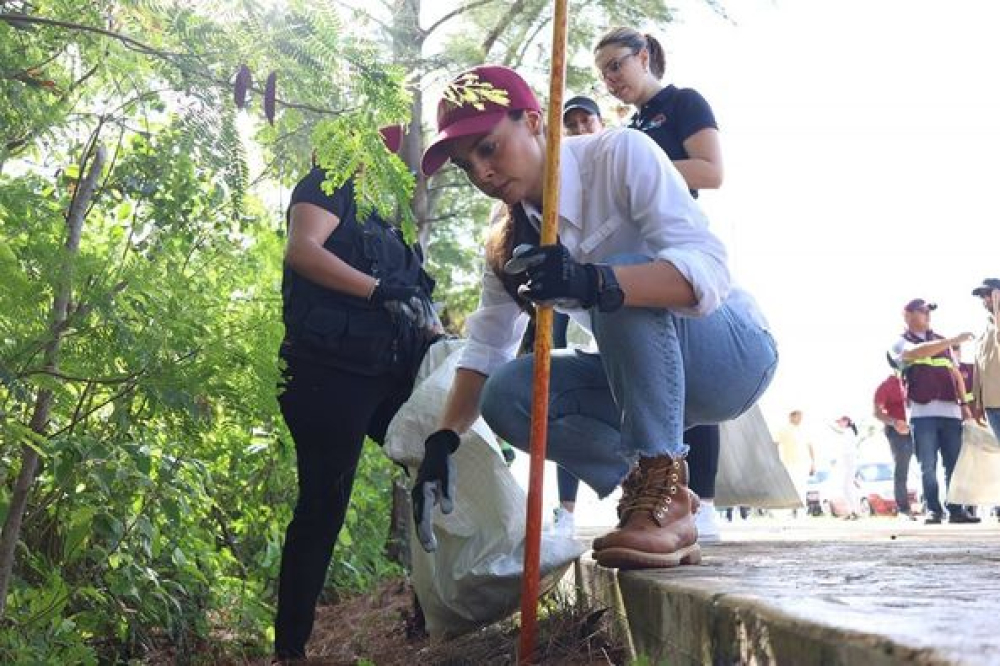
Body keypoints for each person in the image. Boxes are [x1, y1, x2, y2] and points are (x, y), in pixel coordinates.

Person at [411, 64, 777, 570]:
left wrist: (595, 282)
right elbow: (487, 350)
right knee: (510, 395)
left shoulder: (620, 155)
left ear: (535, 121)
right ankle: (660, 490)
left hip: (733, 357)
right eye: (465, 164)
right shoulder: (507, 241)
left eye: (488, 147)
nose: (482, 173)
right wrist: (443, 440)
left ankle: (662, 493)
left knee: (617, 277)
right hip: (645, 384)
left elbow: (709, 273)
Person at [274, 126, 442, 659]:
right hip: (328, 374)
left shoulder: (386, 216)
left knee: (437, 468)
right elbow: (303, 251)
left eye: (383, 147)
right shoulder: (325, 187)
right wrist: (377, 290)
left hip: (388, 374)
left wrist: (432, 325)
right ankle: (290, 649)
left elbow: (413, 293)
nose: (376, 154)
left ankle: (436, 613)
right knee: (324, 505)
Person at [594, 27, 726, 540]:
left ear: (644, 56)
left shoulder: (683, 103)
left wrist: (639, 165)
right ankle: (661, 486)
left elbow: (712, 171)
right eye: (602, 72)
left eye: (616, 65)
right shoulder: (631, 124)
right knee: (654, 381)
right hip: (634, 253)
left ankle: (705, 500)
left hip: (681, 254)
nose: (609, 79)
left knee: (689, 380)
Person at [889, 298, 978, 525]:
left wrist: (965, 404)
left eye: (929, 312)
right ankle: (933, 510)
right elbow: (917, 353)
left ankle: (956, 510)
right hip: (922, 413)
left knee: (954, 464)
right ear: (907, 315)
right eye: (922, 311)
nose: (928, 315)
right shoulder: (899, 343)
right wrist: (954, 339)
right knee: (927, 466)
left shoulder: (942, 341)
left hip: (951, 412)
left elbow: (955, 373)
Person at [873, 368, 917, 519]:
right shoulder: (886, 386)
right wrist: (894, 423)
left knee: (929, 466)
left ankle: (931, 505)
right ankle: (903, 508)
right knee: (901, 470)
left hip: (919, 428)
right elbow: (876, 412)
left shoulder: (914, 382)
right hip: (898, 432)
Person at [971, 278, 1000, 438]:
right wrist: (977, 403)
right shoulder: (983, 332)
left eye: (989, 293)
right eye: (982, 296)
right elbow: (979, 369)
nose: (986, 299)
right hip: (992, 406)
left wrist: (997, 308)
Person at [774, 410, 816, 517]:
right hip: (788, 463)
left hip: (803, 463)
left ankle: (801, 511)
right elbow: (775, 445)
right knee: (791, 488)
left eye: (801, 416)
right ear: (792, 416)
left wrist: (813, 463)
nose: (801, 418)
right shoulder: (783, 429)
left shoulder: (804, 430)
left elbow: (810, 447)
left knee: (802, 487)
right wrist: (775, 460)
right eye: (798, 416)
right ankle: (790, 510)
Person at [832, 416, 862, 520]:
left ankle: (854, 512)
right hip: (848, 463)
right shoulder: (847, 431)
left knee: (846, 488)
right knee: (847, 488)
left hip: (849, 462)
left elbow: (847, 451)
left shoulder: (848, 432)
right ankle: (852, 511)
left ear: (846, 422)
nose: (839, 424)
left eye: (840, 421)